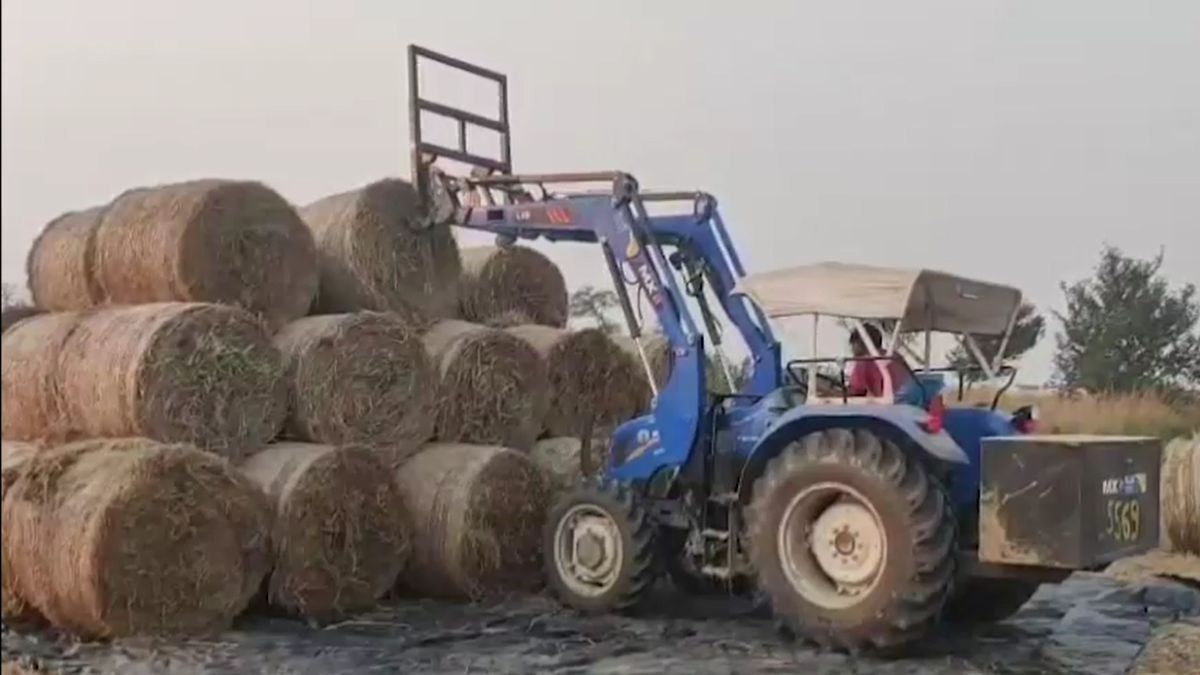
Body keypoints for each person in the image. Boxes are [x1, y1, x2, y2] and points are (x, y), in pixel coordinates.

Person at [846, 324, 911, 398]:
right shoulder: (895, 356)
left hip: (891, 406)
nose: (852, 349)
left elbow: (854, 392)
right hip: (910, 402)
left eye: (852, 343)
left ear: (859, 343)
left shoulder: (864, 361)